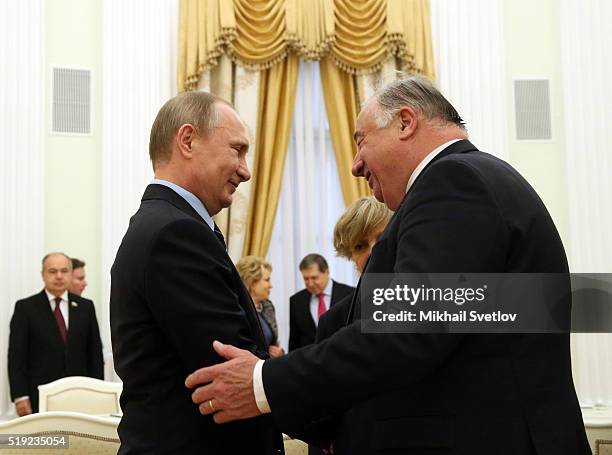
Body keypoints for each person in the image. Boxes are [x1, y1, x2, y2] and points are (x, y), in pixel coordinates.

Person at [185, 76, 590, 455]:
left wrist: (262, 383)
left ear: (405, 122)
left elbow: (408, 331)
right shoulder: (472, 179)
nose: (356, 165)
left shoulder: (452, 181)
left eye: (361, 142)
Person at [110, 92, 282, 454]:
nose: (247, 171)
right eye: (237, 149)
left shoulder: (169, 225)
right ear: (187, 140)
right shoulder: (174, 234)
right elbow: (230, 366)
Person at [8, 252, 104, 415]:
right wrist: (20, 396)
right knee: (49, 441)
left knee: (78, 440)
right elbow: (17, 357)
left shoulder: (85, 307)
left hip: (80, 394)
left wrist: (98, 392)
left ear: (70, 273)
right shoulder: (25, 308)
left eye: (64, 271)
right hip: (38, 396)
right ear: (43, 274)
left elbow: (95, 355)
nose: (59, 276)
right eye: (52, 271)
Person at [316, 196, 392, 343]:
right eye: (360, 246)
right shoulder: (332, 322)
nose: (372, 251)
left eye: (383, 238)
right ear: (351, 257)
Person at [288, 254, 354, 350]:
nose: (310, 283)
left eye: (314, 278)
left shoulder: (349, 294)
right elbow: (294, 342)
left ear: (327, 272)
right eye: (306, 279)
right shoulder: (296, 301)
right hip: (308, 361)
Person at [236, 256, 284, 358]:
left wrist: (280, 354)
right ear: (252, 283)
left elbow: (274, 343)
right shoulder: (237, 309)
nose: (271, 285)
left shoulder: (268, 306)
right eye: (267, 280)